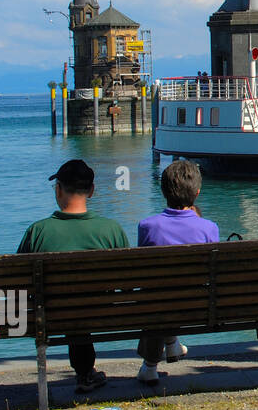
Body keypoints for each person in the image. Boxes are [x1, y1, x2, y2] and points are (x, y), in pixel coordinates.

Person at [17, 159, 127, 394]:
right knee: (82, 308)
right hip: (106, 313)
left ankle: (85, 373)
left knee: (70, 308)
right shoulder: (111, 230)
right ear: (92, 190)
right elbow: (128, 283)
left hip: (52, 316)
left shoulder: (38, 231)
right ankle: (86, 373)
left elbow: (17, 282)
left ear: (58, 190)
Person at [135, 160, 219, 385]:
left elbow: (143, 272)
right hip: (199, 306)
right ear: (197, 193)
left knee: (158, 294)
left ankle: (150, 366)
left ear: (163, 192)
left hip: (157, 305)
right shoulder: (209, 228)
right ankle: (171, 344)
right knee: (174, 292)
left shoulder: (147, 226)